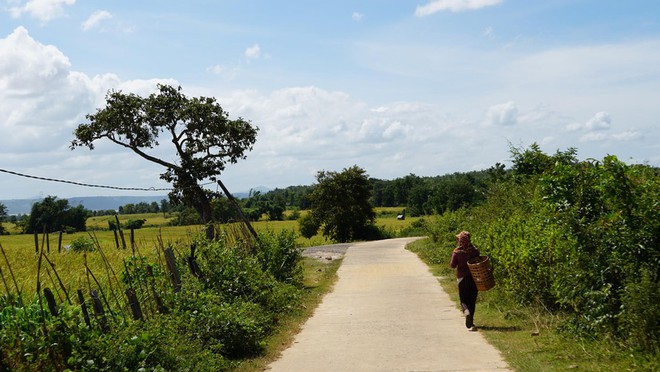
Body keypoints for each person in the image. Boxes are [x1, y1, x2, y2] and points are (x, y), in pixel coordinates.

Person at [450, 231, 480, 331]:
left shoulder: (457, 252)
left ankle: (466, 312)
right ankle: (471, 322)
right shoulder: (474, 250)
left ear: (460, 240)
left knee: (463, 300)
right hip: (474, 278)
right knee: (472, 300)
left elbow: (452, 265)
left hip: (462, 278)